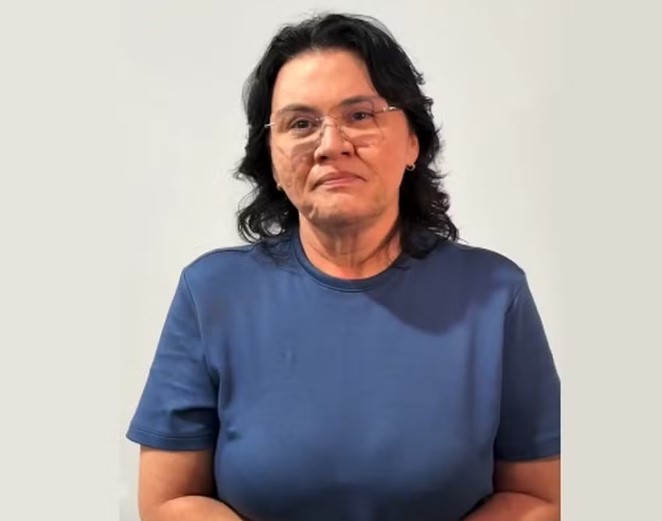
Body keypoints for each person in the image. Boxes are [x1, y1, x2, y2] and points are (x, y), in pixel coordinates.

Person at [126, 12, 561, 521]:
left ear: (413, 141)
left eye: (360, 115)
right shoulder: (211, 294)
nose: (331, 145)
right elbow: (169, 500)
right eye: (301, 124)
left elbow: (539, 498)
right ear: (271, 157)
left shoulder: (494, 295)